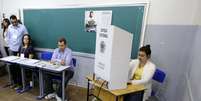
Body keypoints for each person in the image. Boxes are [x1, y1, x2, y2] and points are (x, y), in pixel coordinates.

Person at [6, 15, 28, 88]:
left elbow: (26, 36)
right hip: (12, 49)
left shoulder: (22, 27)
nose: (14, 23)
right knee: (12, 67)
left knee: (19, 67)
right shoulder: (9, 27)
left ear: (17, 20)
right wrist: (9, 46)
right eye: (12, 22)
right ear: (11, 21)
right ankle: (14, 82)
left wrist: (24, 47)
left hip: (20, 50)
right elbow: (8, 37)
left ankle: (21, 84)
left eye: (15, 22)